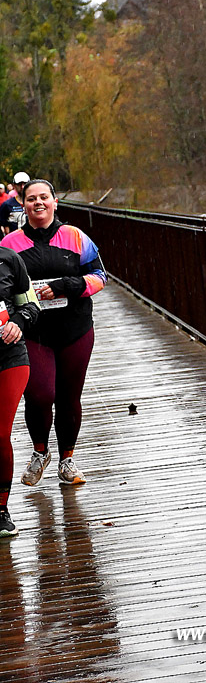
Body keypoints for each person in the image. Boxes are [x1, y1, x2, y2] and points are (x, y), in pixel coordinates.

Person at [0, 179, 107, 486]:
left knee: (69, 397)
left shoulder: (75, 236)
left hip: (75, 328)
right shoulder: (10, 244)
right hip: (34, 332)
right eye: (31, 198)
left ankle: (67, 460)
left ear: (54, 201)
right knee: (40, 394)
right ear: (23, 205)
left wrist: (68, 285)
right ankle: (40, 452)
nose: (38, 202)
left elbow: (100, 276)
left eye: (44, 197)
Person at [0, 244, 40, 536]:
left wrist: (18, 321)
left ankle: (1, 509)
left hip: (9, 356)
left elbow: (31, 305)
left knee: (0, 434)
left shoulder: (8, 258)